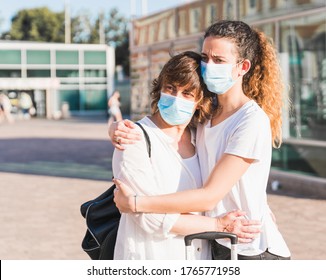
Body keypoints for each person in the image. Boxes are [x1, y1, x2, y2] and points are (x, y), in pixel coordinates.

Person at [111, 20, 291, 260]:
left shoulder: (250, 121)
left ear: (243, 67)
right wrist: (115, 127)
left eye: (219, 60)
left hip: (251, 247)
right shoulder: (206, 116)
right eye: (205, 57)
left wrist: (135, 204)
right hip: (218, 243)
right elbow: (163, 131)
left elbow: (210, 195)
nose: (208, 66)